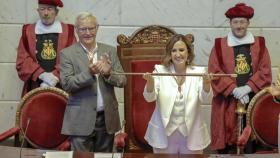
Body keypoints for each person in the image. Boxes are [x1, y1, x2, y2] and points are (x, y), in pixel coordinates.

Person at [208, 3, 272, 153]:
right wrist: (234, 89)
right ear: (230, 23)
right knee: (227, 145)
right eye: (235, 22)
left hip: (252, 99)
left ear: (248, 23)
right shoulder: (219, 45)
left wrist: (247, 88)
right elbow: (214, 71)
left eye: (242, 22)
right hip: (227, 101)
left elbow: (265, 70)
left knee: (250, 145)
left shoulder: (259, 44)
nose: (239, 26)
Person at [60, 12, 127, 152]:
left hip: (106, 118)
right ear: (76, 30)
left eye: (91, 28)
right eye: (83, 29)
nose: (87, 32)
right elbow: (66, 84)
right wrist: (88, 73)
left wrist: (109, 74)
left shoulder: (110, 51)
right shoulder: (67, 54)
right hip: (80, 119)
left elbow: (122, 80)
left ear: (97, 28)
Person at [142, 34, 212, 154]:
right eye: (174, 50)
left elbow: (206, 99)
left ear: (188, 52)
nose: (178, 54)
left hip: (192, 135)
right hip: (163, 135)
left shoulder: (199, 72)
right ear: (169, 53)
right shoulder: (159, 71)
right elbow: (149, 97)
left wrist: (206, 83)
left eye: (181, 50)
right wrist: (150, 82)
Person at [16, 0, 76, 96]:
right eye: (42, 9)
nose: (46, 13)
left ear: (56, 12)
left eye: (49, 9)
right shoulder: (28, 31)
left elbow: (73, 59)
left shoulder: (68, 32)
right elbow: (22, 61)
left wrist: (55, 76)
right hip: (35, 87)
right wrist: (41, 75)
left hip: (62, 88)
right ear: (38, 11)